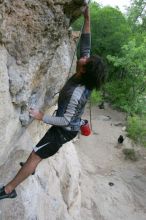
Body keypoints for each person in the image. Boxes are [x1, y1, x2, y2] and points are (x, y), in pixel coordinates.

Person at [0, 5, 105, 200]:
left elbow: (65, 121)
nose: (83, 57)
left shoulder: (77, 92)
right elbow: (86, 44)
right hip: (65, 124)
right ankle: (29, 169)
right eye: (85, 57)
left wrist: (41, 116)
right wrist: (87, 19)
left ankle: (9, 189)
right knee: (38, 154)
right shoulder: (85, 73)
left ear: (84, 71)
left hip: (63, 131)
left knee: (35, 155)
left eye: (85, 61)